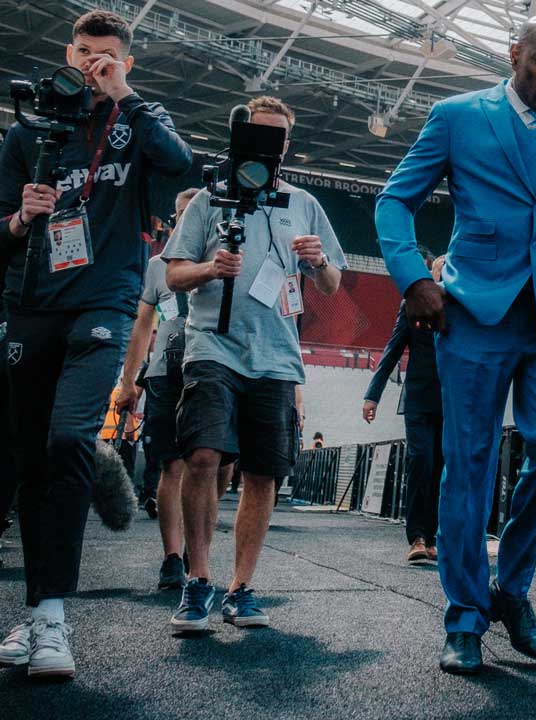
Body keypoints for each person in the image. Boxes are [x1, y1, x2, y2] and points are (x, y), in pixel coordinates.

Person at [376, 15, 536, 675]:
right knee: (468, 467)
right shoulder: (457, 117)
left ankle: (512, 587)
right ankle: (465, 620)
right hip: (473, 316)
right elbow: (394, 202)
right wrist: (415, 279)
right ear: (514, 55)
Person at [0, 10, 192, 678]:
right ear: (67, 52)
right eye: (84, 53)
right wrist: (21, 218)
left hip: (105, 302)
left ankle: (53, 618)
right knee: (30, 460)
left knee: (69, 440)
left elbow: (179, 163)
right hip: (32, 307)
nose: (92, 64)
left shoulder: (141, 117)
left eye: (106, 56)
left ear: (125, 62)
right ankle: (37, 615)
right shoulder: (27, 131)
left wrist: (123, 97)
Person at [163, 95, 346, 634]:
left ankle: (241, 586)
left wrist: (317, 262)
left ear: (287, 145)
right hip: (212, 346)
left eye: (277, 137)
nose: (268, 145)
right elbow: (173, 275)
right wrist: (208, 268)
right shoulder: (207, 201)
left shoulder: (304, 203)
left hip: (276, 355)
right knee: (202, 454)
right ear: (240, 136)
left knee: (262, 472)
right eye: (258, 134)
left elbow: (333, 284)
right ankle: (199, 580)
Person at [115, 188, 234, 590]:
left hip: (215, 367)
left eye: (194, 214)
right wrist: (127, 381)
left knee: (215, 464)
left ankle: (196, 550)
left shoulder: (229, 258)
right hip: (167, 371)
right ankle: (171, 556)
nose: (187, 221)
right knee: (171, 463)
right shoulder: (156, 267)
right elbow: (141, 326)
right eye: (181, 214)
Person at [363, 298, 444, 566]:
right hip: (418, 401)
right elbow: (393, 350)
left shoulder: (459, 305)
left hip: (450, 403)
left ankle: (432, 539)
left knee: (439, 469)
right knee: (421, 459)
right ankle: (416, 538)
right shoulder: (411, 306)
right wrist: (372, 396)